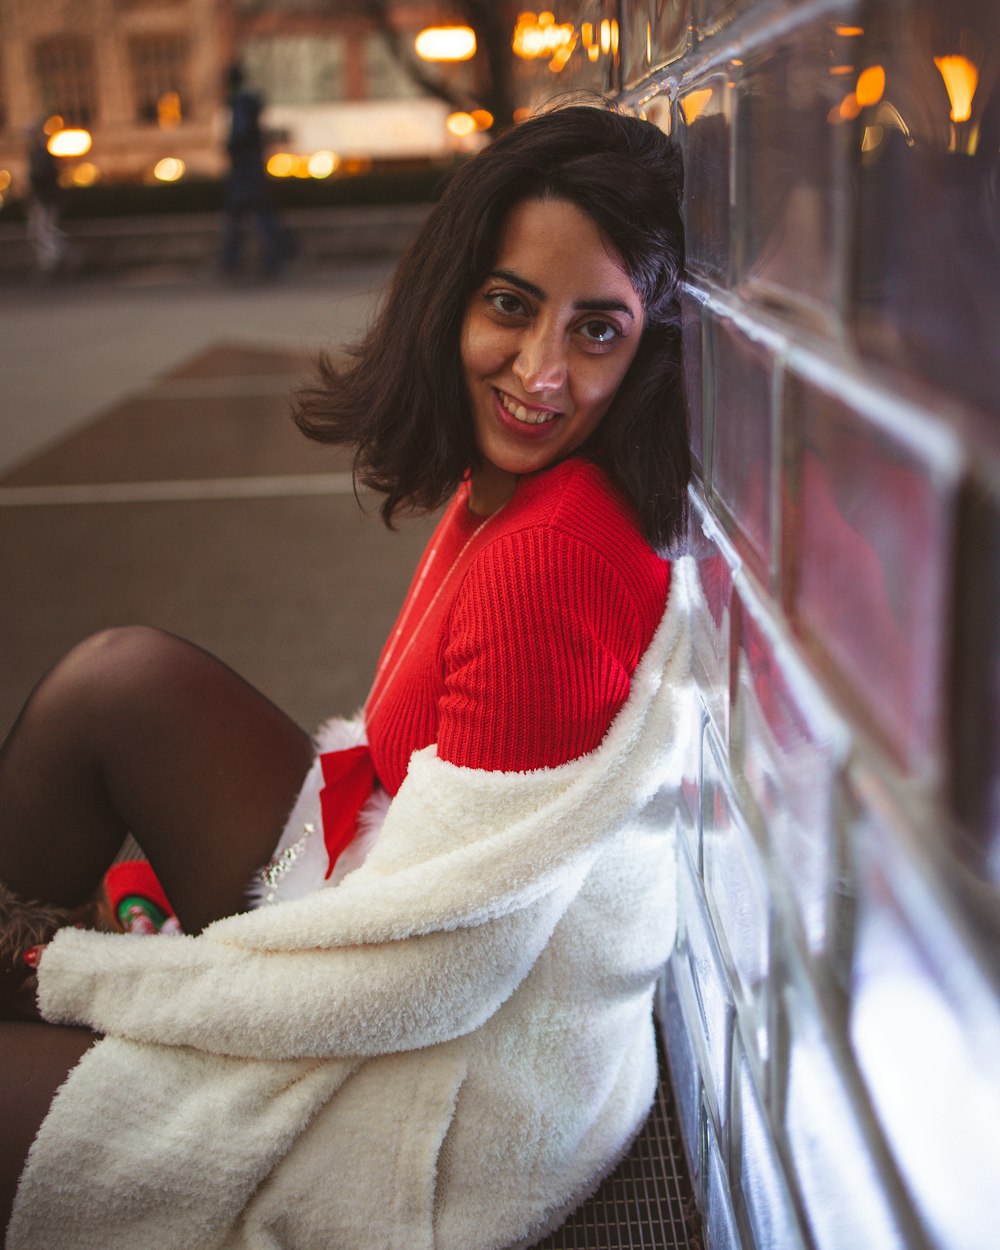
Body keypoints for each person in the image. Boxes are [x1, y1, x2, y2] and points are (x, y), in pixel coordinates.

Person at [0, 104, 690, 1248]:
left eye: (597, 331)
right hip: (390, 900)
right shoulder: (518, 492)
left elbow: (424, 980)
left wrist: (64, 973)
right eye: (511, 306)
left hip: (433, 1108)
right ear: (453, 295)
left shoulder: (550, 556)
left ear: (644, 346)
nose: (540, 373)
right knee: (120, 679)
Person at [219, 62, 288, 277]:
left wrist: (230, 146)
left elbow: (240, 133)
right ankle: (272, 257)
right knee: (260, 215)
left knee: (243, 217)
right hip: (252, 169)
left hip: (244, 171)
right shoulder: (247, 102)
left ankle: (234, 262)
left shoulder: (239, 103)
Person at [25, 121, 67, 276]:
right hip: (46, 198)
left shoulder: (40, 154)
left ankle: (53, 261)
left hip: (45, 198)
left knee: (42, 231)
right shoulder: (40, 153)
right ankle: (60, 257)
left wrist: (33, 197)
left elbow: (39, 177)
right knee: (43, 230)